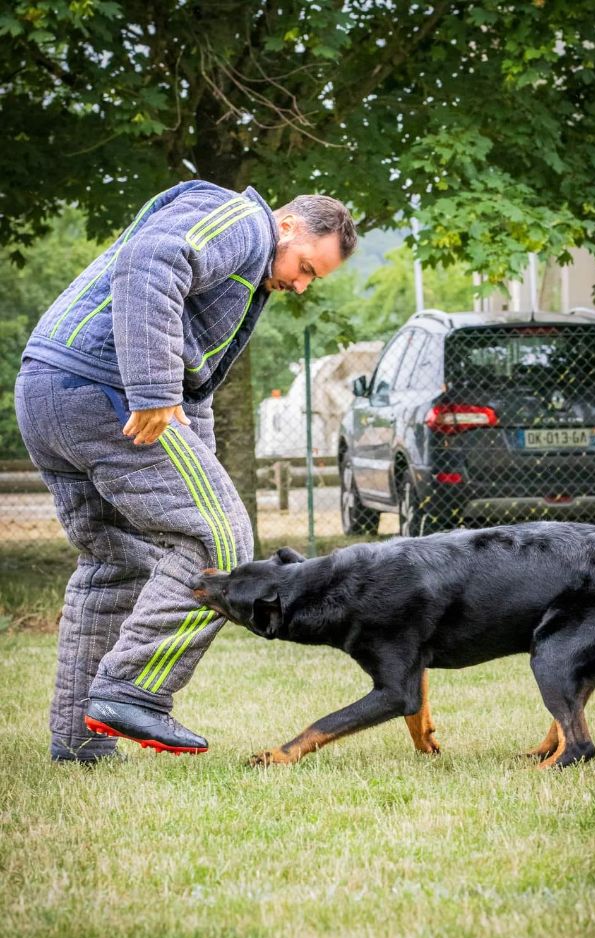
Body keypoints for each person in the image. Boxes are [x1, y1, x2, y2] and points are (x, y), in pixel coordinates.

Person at [15, 181, 357, 762]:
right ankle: (134, 691)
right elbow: (150, 261)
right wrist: (151, 390)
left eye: (310, 281)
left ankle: (80, 742)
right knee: (218, 540)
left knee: (113, 563)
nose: (299, 285)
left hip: (48, 391)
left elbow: (192, 380)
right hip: (106, 392)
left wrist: (199, 452)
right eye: (304, 268)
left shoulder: (240, 267)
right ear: (289, 226)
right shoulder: (242, 222)